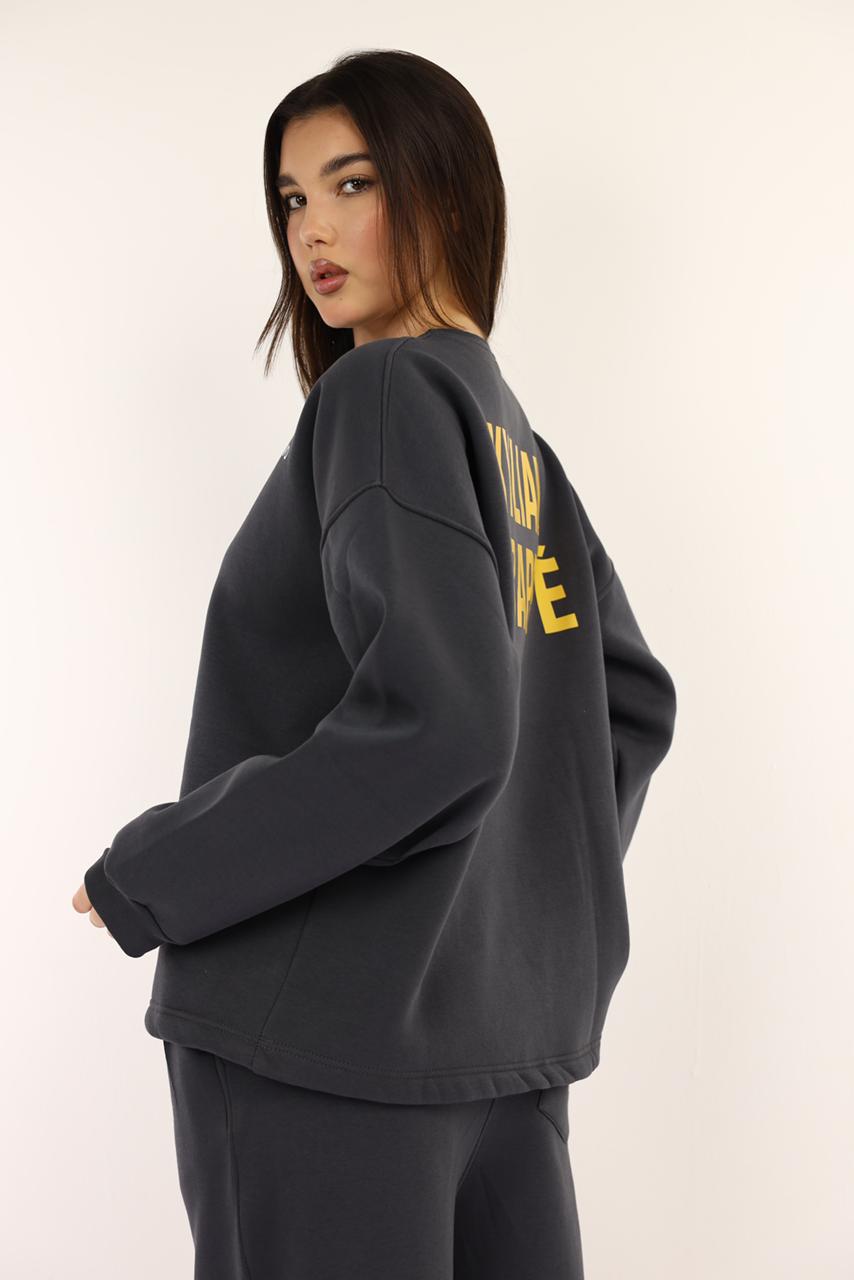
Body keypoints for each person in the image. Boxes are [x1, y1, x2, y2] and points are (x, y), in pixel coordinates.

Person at [72, 49, 677, 1279]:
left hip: (320, 1052)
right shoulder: (518, 444)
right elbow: (624, 703)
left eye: (351, 185)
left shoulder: (382, 392)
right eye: (292, 198)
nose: (311, 230)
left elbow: (440, 725)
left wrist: (153, 871)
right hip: (498, 1052)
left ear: (444, 189)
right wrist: (505, 923)